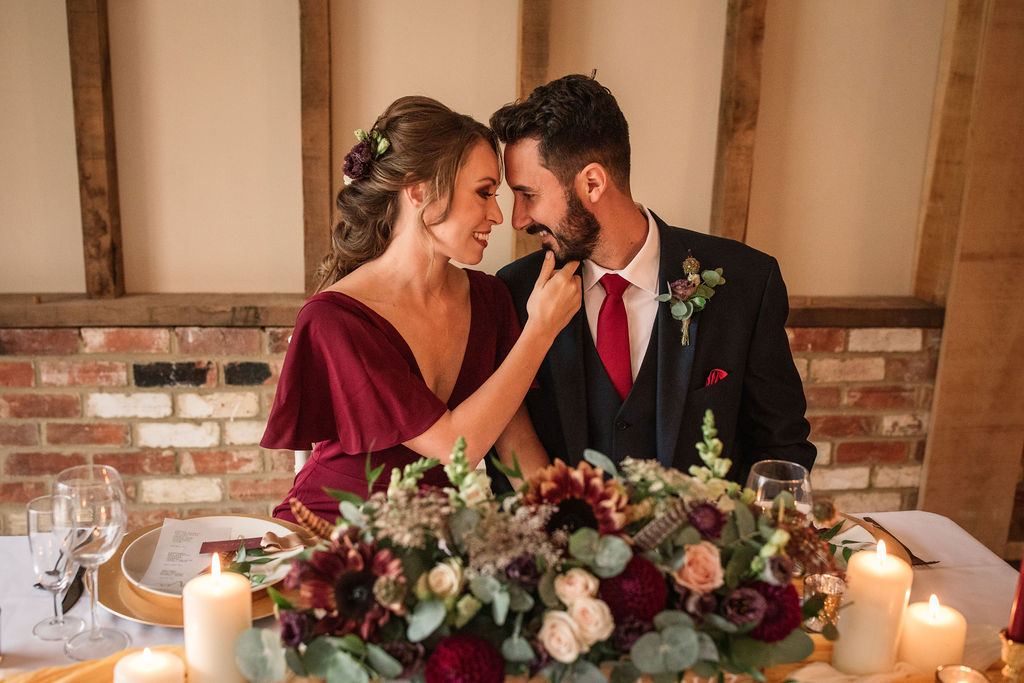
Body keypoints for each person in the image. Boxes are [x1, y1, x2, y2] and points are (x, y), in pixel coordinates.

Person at [262, 96, 581, 523]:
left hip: (431, 551)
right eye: (484, 192)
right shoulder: (336, 319)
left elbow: (518, 451)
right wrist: (540, 331)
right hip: (327, 533)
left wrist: (585, 542)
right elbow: (454, 449)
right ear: (419, 191)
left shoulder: (490, 300)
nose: (499, 215)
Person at [490, 74, 814, 485]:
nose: (518, 219)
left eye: (528, 195)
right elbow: (507, 468)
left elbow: (781, 448)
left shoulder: (747, 281)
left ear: (592, 183)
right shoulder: (514, 293)